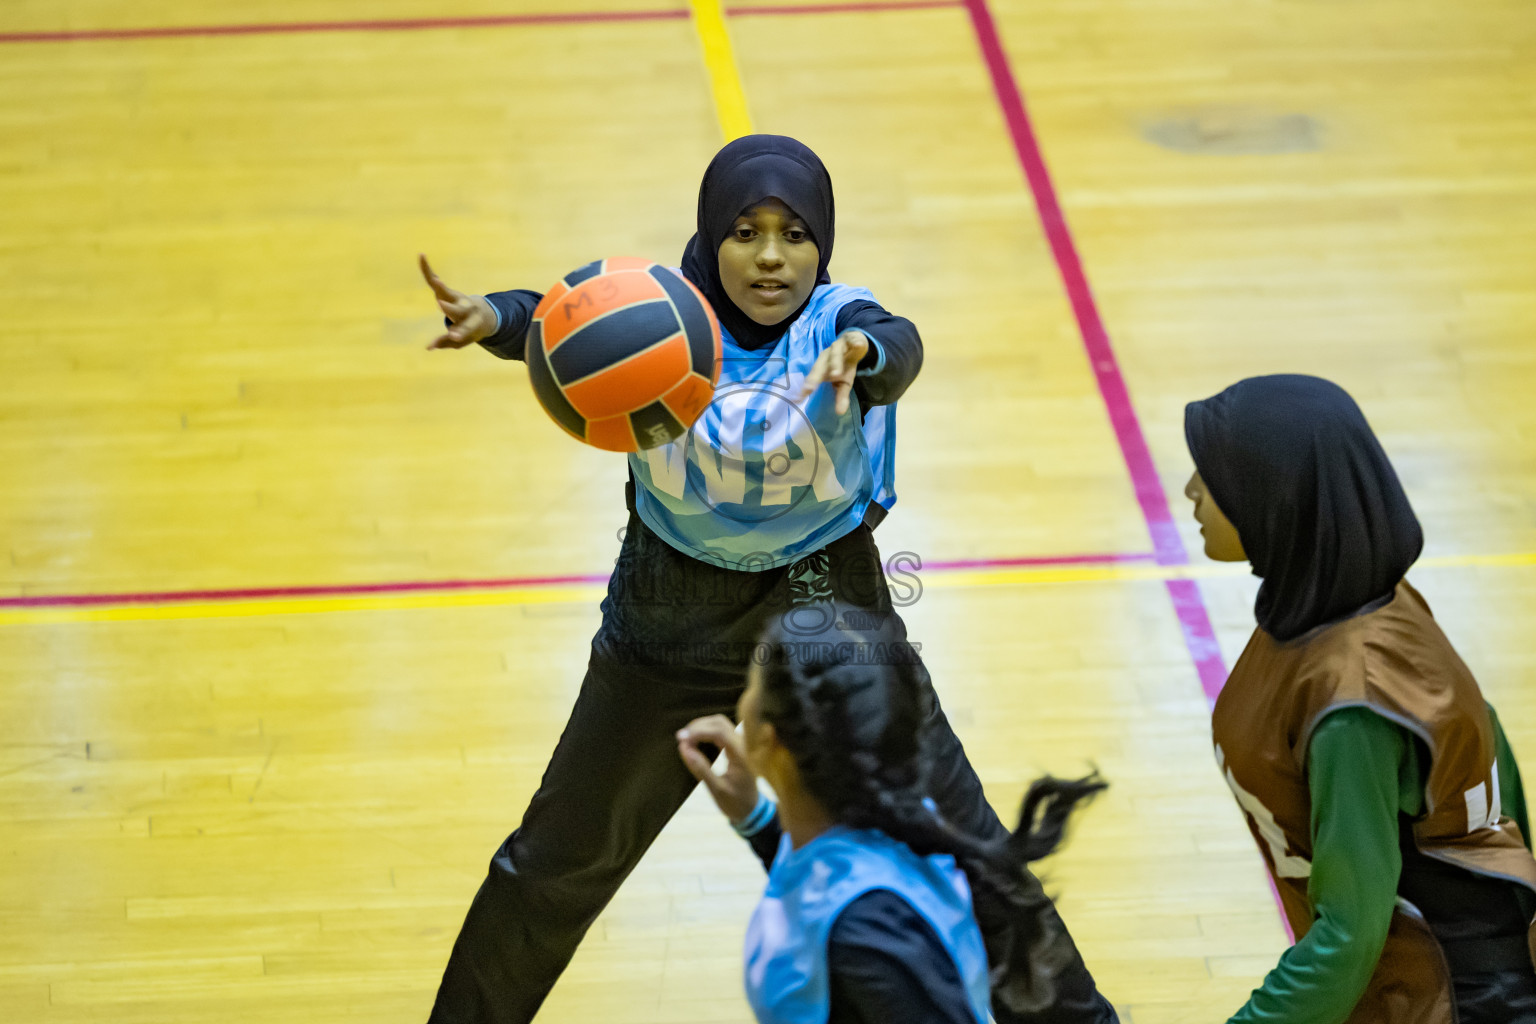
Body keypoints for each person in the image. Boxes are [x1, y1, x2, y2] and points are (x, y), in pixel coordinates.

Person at [418, 134, 1119, 1024]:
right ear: (712, 239)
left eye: (795, 234)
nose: (772, 256)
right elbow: (568, 319)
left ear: (822, 243)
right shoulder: (667, 315)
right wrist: (498, 319)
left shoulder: (840, 322)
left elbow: (898, 343)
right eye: (746, 232)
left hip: (830, 616)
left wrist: (865, 355)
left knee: (962, 845)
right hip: (671, 621)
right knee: (556, 862)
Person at [1182, 373, 1536, 1023]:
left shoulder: (1352, 702)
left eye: (1211, 477)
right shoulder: (1366, 602)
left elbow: (1350, 937)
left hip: (1444, 998)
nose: (1191, 493)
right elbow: (1493, 753)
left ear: (1274, 497)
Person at [676, 615, 1106, 1024]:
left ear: (771, 740)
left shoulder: (866, 935)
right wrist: (756, 819)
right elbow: (820, 885)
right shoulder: (891, 825)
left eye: (750, 685)